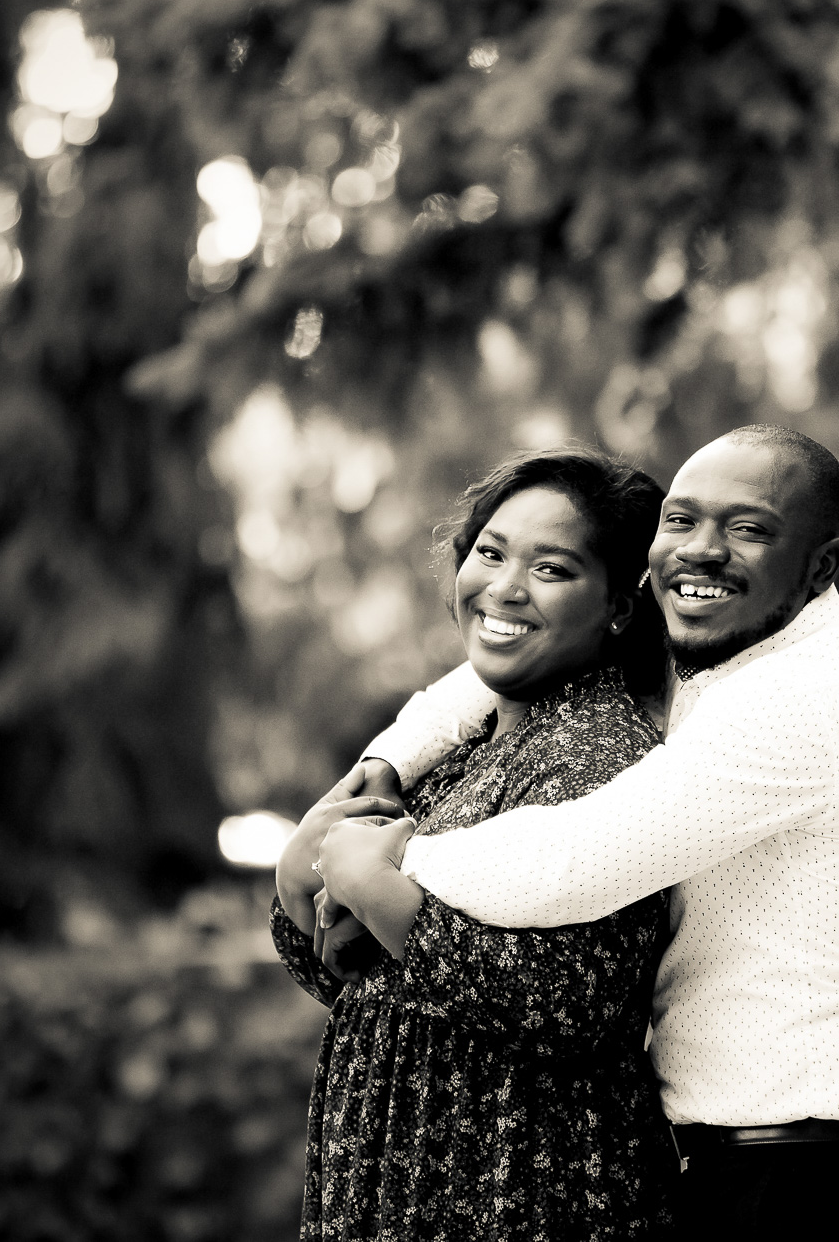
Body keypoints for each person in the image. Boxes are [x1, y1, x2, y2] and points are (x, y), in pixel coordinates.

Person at [319, 425, 839, 1241]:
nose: (700, 552)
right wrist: (385, 763)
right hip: (764, 1167)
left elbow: (571, 861)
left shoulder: (801, 702)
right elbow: (481, 670)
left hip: (831, 1180)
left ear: (821, 567)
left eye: (749, 528)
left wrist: (383, 861)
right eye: (682, 520)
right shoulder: (733, 640)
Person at [269, 448, 678, 1240]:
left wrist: (373, 889)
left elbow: (567, 1001)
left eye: (552, 569)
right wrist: (299, 888)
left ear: (619, 607)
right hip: (410, 1176)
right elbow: (376, 981)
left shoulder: (599, 755)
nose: (504, 587)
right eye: (490, 552)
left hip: (518, 1183)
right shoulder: (463, 747)